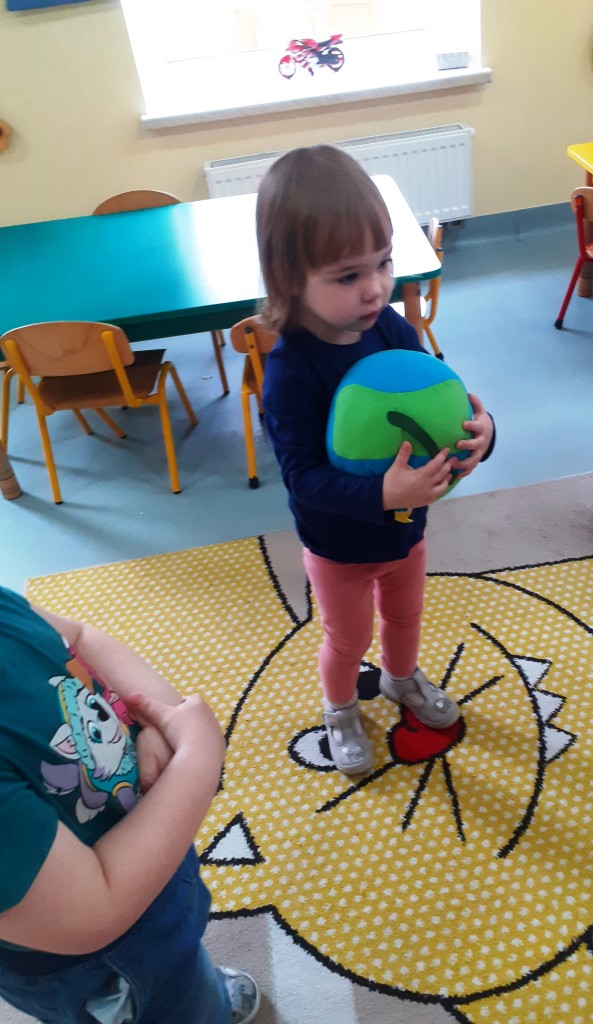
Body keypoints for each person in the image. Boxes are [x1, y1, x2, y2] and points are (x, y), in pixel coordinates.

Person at [257, 145, 495, 775]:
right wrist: (382, 495)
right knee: (347, 639)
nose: (375, 287)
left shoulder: (394, 330)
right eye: (347, 276)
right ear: (289, 279)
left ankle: (400, 678)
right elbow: (302, 479)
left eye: (383, 263)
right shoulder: (291, 371)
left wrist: (482, 435)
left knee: (406, 616)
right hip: (337, 546)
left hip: (406, 531)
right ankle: (340, 709)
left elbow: (441, 411)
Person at [0, 585, 260, 1024]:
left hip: (144, 847)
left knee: (181, 948)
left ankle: (200, 990)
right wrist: (198, 753)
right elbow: (94, 911)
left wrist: (157, 719)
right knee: (175, 1006)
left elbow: (78, 637)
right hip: (101, 961)